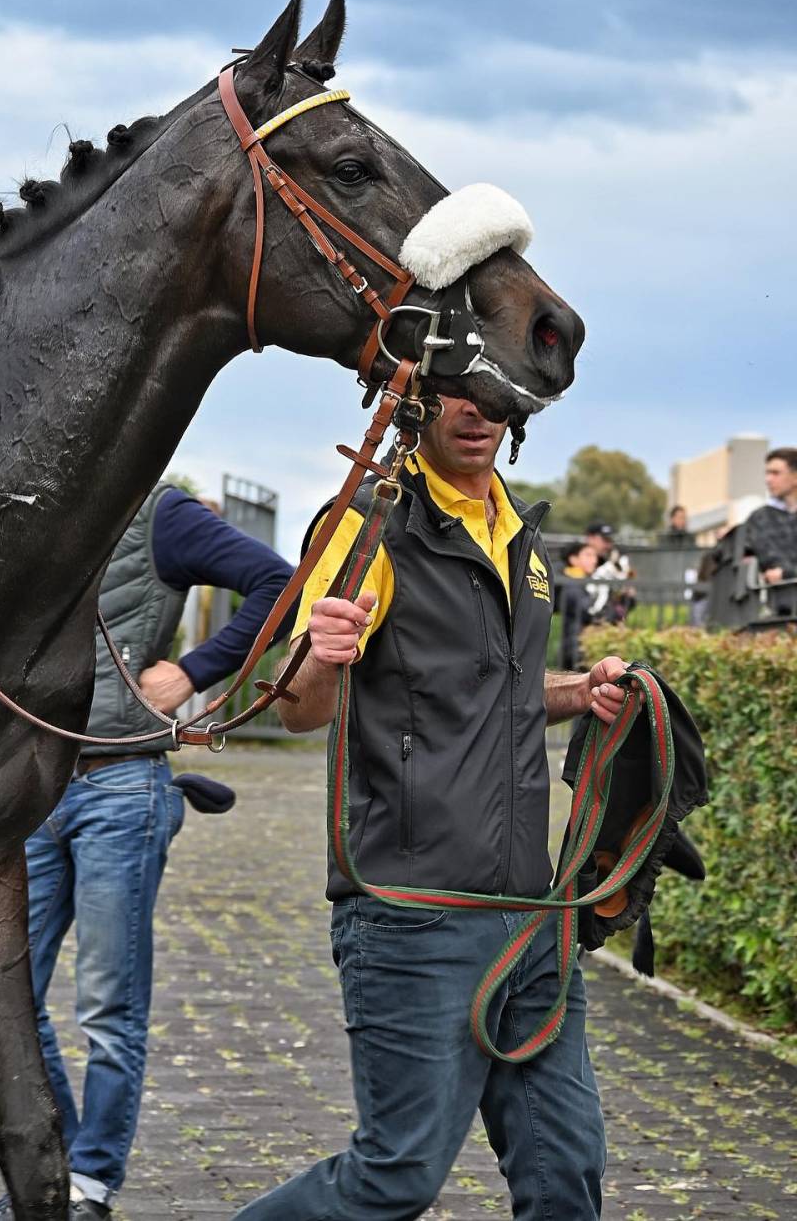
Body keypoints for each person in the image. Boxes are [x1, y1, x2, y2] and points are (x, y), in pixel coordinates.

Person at [234, 395, 634, 1221]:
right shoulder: (371, 523)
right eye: (459, 387)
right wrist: (326, 654)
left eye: (499, 397)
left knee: (568, 1169)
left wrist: (582, 690)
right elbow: (299, 705)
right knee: (396, 1176)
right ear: (417, 400)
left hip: (532, 915)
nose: (478, 410)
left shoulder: (522, 535)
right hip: (414, 914)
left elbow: (510, 695)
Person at [0, 483, 294, 1220]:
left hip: (123, 788)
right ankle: (51, 1172)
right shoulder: (27, 505)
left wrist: (193, 670)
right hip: (30, 791)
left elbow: (279, 583)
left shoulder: (161, 515)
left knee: (108, 1008)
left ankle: (89, 1185)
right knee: (6, 995)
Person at [743, 448, 797, 617]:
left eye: (775, 473)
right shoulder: (758, 518)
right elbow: (742, 555)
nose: (768, 479)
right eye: (767, 473)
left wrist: (787, 573)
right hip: (778, 612)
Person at [557, 539, 598, 668]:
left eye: (595, 555)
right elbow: (589, 612)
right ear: (573, 559)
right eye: (588, 555)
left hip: (585, 645)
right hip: (575, 649)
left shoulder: (587, 583)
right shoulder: (571, 584)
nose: (594, 560)